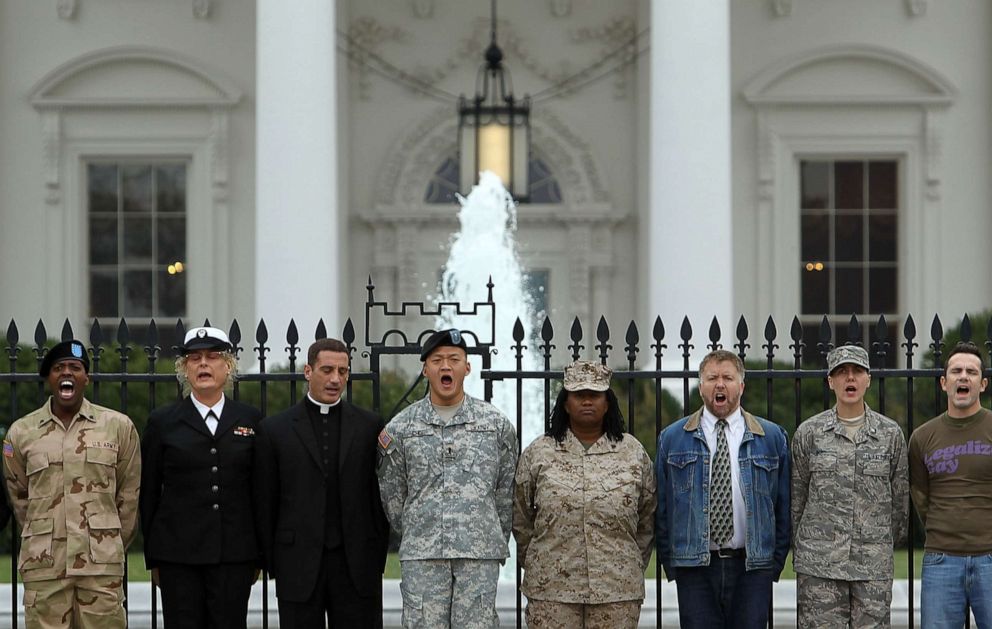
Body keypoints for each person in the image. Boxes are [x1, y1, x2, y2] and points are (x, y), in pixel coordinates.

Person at [377, 328, 518, 629]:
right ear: (425, 368)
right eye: (437, 360)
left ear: (467, 368)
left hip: (478, 554)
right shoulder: (401, 428)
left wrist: (490, 534)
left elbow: (506, 491)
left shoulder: (495, 425)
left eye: (454, 359)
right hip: (423, 553)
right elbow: (392, 493)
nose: (445, 366)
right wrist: (419, 527)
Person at [2, 339, 141, 628]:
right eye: (58, 368)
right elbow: (19, 496)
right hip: (45, 566)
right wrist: (44, 535)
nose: (67, 373)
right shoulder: (21, 432)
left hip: (100, 565)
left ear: (86, 378)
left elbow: (129, 496)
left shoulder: (118, 427)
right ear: (49, 378)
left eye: (75, 367)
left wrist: (108, 542)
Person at [254, 338, 389, 628]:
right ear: (307, 371)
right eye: (327, 370)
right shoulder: (274, 430)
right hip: (297, 565)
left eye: (343, 371)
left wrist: (375, 556)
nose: (335, 379)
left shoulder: (369, 426)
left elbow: (379, 497)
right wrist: (273, 561)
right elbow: (266, 501)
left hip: (356, 565)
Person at [513, 360, 657, 629]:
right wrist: (539, 561)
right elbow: (521, 516)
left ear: (607, 402)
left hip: (616, 590)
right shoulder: (539, 453)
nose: (587, 401)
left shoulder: (632, 453)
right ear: (566, 403)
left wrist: (628, 563)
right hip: (551, 590)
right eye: (579, 395)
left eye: (595, 395)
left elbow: (647, 517)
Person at [655, 349, 790, 629]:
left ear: (741, 386)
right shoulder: (673, 438)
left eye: (727, 377)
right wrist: (674, 563)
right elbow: (663, 507)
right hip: (695, 568)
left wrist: (773, 565)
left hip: (752, 567)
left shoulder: (771, 437)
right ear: (700, 385)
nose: (720, 384)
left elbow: (783, 505)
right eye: (712, 377)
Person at [139, 326, 262, 629]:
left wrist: (258, 555)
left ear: (228, 366)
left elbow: (260, 491)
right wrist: (153, 558)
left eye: (212, 357)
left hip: (234, 554)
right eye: (194, 358)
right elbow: (149, 492)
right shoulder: (163, 422)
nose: (203, 364)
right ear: (184, 369)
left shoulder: (250, 419)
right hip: (178, 556)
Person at [791, 345, 909, 628]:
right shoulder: (809, 433)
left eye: (857, 371)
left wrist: (874, 542)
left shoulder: (890, 435)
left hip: (872, 568)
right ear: (830, 382)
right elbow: (797, 501)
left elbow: (900, 504)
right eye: (841, 372)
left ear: (868, 379)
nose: (850, 378)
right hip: (819, 568)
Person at [909, 341, 992, 628]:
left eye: (971, 371)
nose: (963, 376)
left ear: (982, 384)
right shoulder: (922, 437)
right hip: (941, 561)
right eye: (956, 370)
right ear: (945, 383)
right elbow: (920, 496)